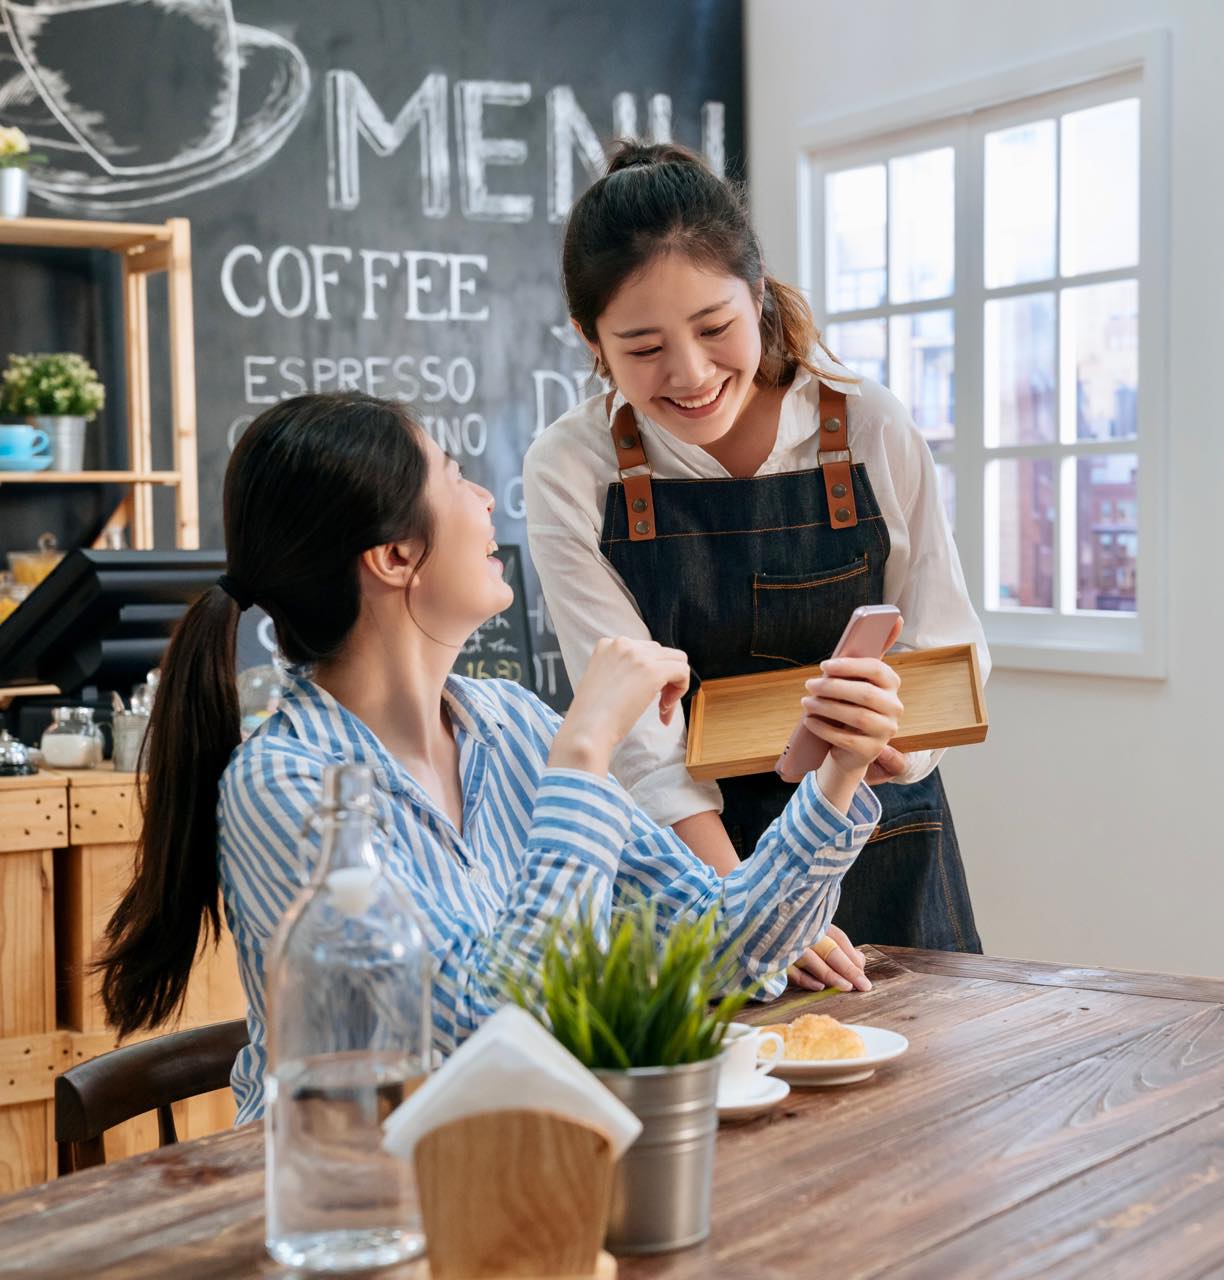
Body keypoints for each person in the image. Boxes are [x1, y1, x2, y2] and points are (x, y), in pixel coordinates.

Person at [96, 392, 902, 1122]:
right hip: (352, 1205)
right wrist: (584, 752)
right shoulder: (288, 786)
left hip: (519, 1173)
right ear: (394, 558)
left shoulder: (511, 723)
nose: (486, 501)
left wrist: (836, 774)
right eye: (454, 478)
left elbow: (722, 947)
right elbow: (490, 1036)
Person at [524, 141, 989, 989]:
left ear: (760, 291)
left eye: (714, 328)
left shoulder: (868, 425)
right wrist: (751, 904)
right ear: (590, 340)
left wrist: (890, 742)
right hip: (697, 866)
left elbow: (946, 644)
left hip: (884, 838)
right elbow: (636, 730)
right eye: (642, 346)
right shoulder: (572, 467)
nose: (691, 374)